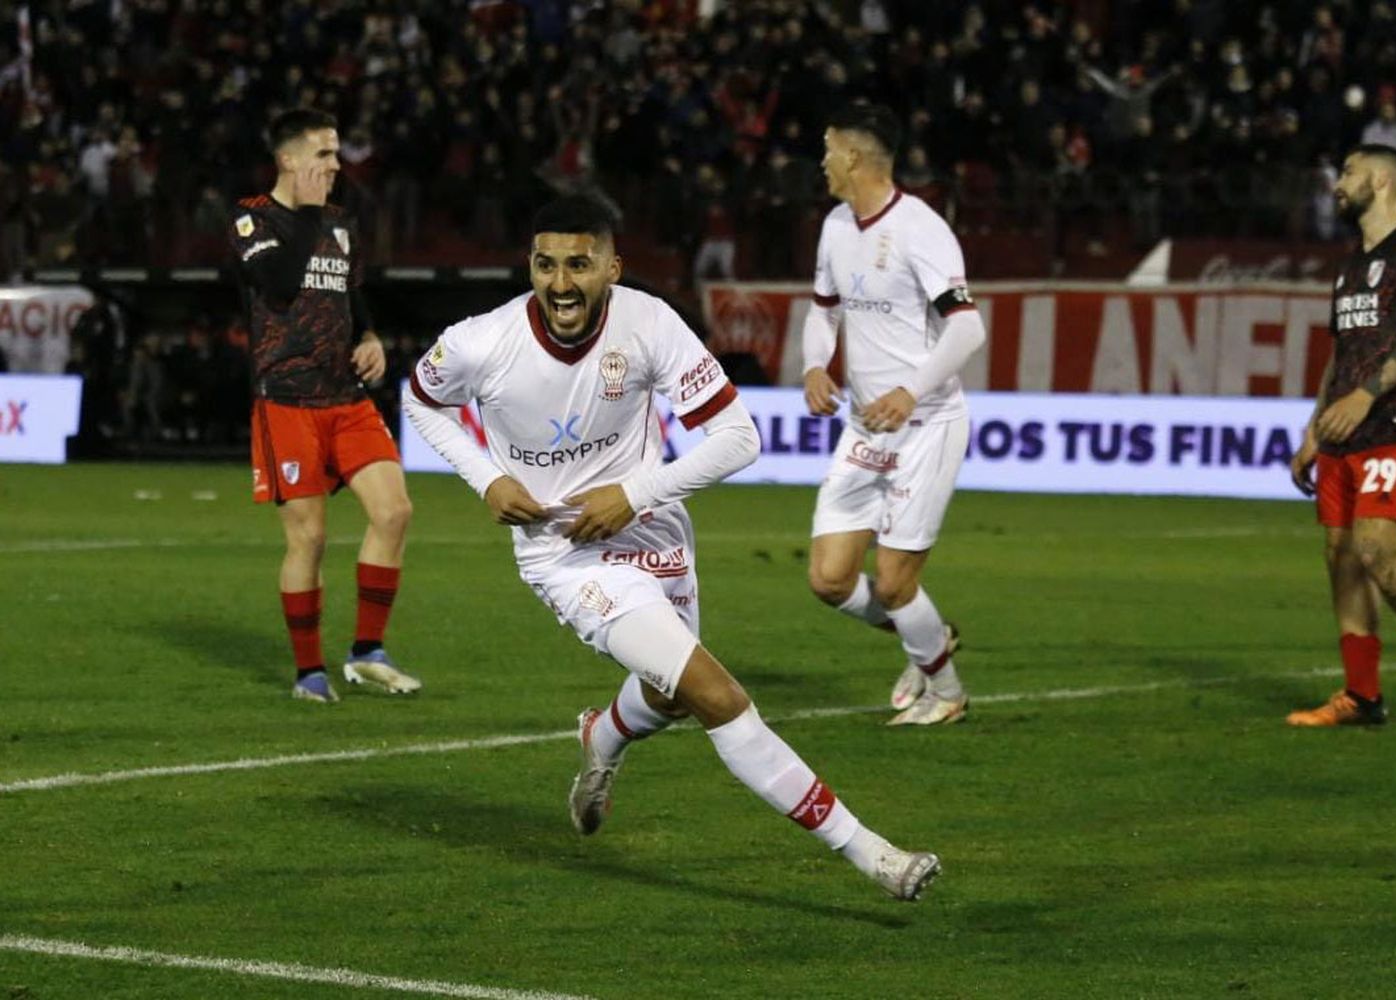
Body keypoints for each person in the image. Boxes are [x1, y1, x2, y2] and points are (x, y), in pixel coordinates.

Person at [404, 195, 941, 901]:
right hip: (564, 553)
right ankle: (873, 854)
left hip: (652, 528)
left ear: (612, 267)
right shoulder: (481, 340)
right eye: (545, 264)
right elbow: (419, 399)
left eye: (579, 265)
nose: (561, 283)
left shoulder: (649, 321)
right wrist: (487, 477)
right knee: (716, 694)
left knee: (669, 693)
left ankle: (602, 737)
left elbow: (739, 438)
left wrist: (636, 494)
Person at [801, 103, 986, 726]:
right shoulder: (835, 226)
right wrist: (813, 365)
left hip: (926, 425)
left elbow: (967, 329)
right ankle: (929, 637)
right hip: (863, 428)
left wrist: (909, 390)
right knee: (829, 580)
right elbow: (823, 309)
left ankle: (948, 693)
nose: (821, 160)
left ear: (853, 156)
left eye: (827, 147)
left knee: (893, 582)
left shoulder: (920, 229)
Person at [229, 107, 421, 703]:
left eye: (336, 154)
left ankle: (367, 652)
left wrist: (368, 337)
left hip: (346, 396)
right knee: (308, 539)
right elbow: (282, 284)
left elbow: (349, 293)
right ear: (288, 160)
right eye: (324, 154)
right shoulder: (252, 219)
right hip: (286, 401)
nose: (336, 165)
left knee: (394, 512)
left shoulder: (339, 223)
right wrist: (308, 214)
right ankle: (309, 673)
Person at [1288, 144, 1396, 733]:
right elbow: (1341, 353)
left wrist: (1364, 398)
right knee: (1340, 557)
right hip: (1341, 433)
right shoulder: (1349, 265)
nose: (1339, 183)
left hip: (1394, 423)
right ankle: (1362, 697)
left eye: (1351, 172)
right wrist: (1315, 428)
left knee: (1377, 553)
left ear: (1382, 180)